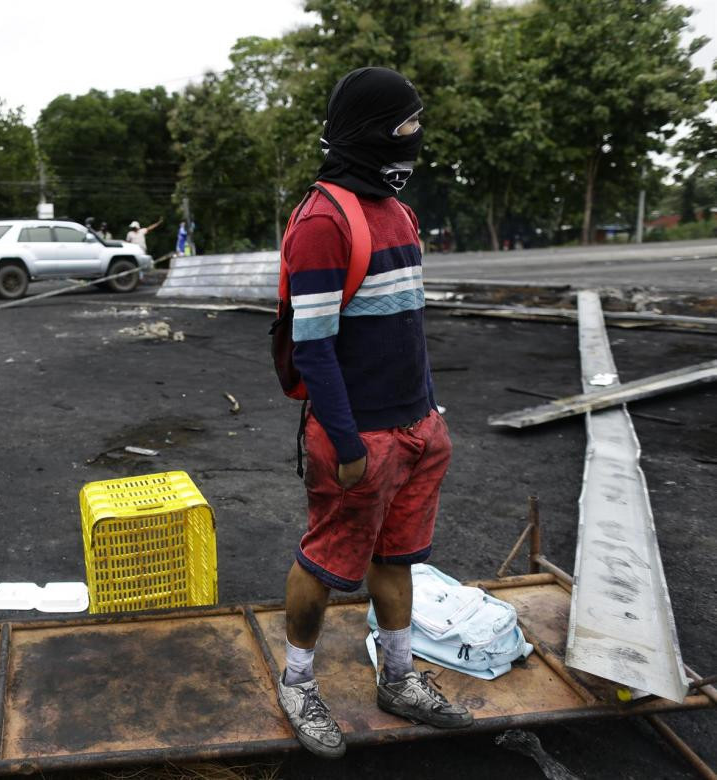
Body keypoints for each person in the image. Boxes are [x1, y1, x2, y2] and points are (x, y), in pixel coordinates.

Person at [276, 66, 471, 760]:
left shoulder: (399, 213)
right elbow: (314, 347)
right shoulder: (324, 220)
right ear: (372, 133)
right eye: (405, 127)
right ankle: (298, 684)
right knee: (327, 565)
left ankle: (397, 676)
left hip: (419, 427)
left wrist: (429, 414)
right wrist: (351, 443)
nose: (415, 140)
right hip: (359, 438)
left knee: (398, 559)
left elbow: (407, 325)